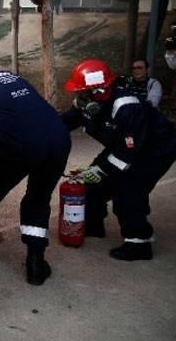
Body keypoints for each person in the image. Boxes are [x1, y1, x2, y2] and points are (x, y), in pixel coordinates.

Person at [0, 44, 71, 285]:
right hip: (58, 137)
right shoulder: (10, 77)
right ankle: (36, 263)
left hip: (22, 143)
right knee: (38, 197)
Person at [61, 59, 176, 261]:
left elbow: (124, 156)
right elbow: (63, 123)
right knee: (90, 182)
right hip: (125, 146)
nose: (79, 96)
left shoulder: (127, 108)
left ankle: (139, 243)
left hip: (155, 151)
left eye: (83, 92)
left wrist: (99, 170)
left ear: (100, 91)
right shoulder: (87, 104)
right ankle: (94, 225)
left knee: (128, 190)